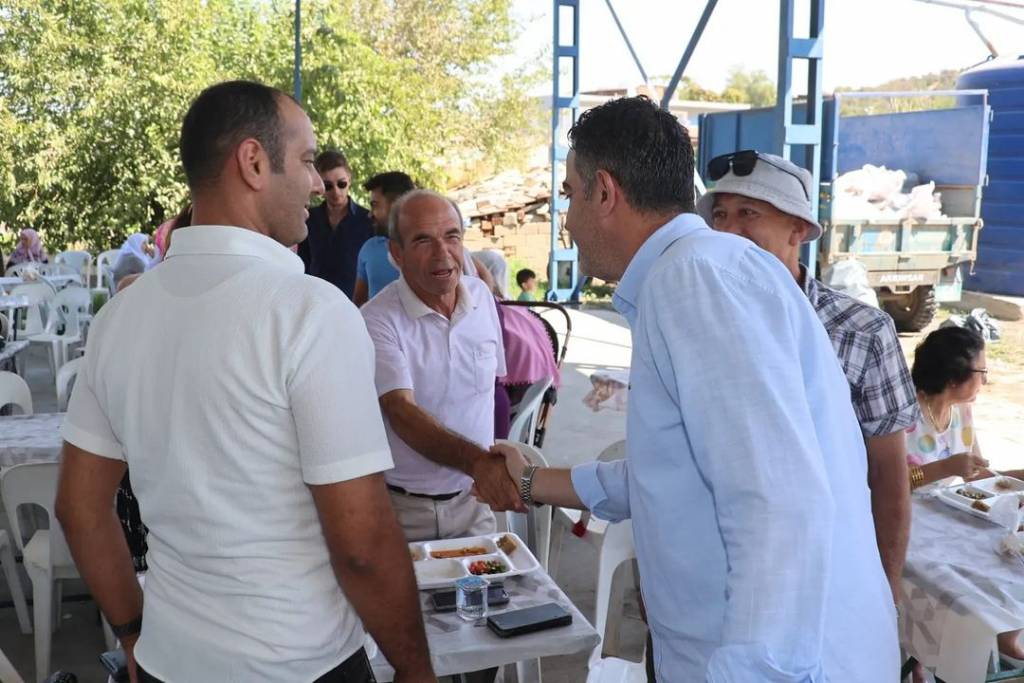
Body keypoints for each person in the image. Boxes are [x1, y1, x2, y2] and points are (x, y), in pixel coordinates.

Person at [490, 96, 898, 680]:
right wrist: (530, 480)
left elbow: (777, 501)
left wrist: (751, 674)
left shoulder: (695, 279)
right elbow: (670, 473)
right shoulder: (690, 273)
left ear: (604, 193)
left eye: (569, 194)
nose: (567, 221)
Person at [55, 80, 434, 683]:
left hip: (167, 661)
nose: (317, 183)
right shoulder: (309, 311)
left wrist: (131, 632)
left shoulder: (118, 318)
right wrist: (417, 671)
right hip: (300, 663)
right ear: (254, 163)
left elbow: (78, 509)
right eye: (309, 161)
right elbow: (362, 542)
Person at [700, 150, 917, 602]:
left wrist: (886, 582)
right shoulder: (699, 321)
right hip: (719, 562)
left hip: (828, 568)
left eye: (748, 213)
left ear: (797, 229)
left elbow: (888, 472)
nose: (727, 229)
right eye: (719, 215)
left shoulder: (862, 331)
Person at [361, 189, 524, 543]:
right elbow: (401, 411)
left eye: (452, 236)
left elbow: (492, 391)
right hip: (406, 514)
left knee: (489, 598)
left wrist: (496, 460)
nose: (443, 253)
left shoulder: (481, 297)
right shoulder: (376, 320)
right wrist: (480, 463)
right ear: (396, 254)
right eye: (423, 240)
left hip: (475, 504)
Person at [297, 150, 373, 300]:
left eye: (341, 183)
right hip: (315, 303)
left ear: (349, 179)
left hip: (355, 307)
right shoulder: (309, 219)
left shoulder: (368, 221)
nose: (336, 191)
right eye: (328, 186)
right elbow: (303, 266)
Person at [353, 171, 415, 306]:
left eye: (374, 204)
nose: (370, 214)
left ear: (397, 205)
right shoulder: (369, 249)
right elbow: (359, 305)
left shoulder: (433, 248)